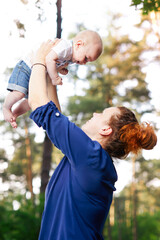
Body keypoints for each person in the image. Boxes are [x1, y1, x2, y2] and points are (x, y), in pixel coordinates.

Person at [28, 41, 157, 240]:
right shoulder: (91, 161)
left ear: (106, 130)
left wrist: (39, 60)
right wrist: (48, 74)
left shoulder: (92, 157)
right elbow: (55, 117)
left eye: (102, 113)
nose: (95, 113)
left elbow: (39, 104)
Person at [3, 30, 103, 128]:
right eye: (86, 58)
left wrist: (62, 69)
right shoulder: (65, 47)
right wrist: (54, 77)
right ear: (78, 44)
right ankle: (6, 107)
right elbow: (49, 59)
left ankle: (15, 114)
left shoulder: (72, 58)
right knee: (19, 93)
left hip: (36, 72)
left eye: (88, 61)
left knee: (31, 101)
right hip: (27, 67)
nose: (84, 62)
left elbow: (55, 64)